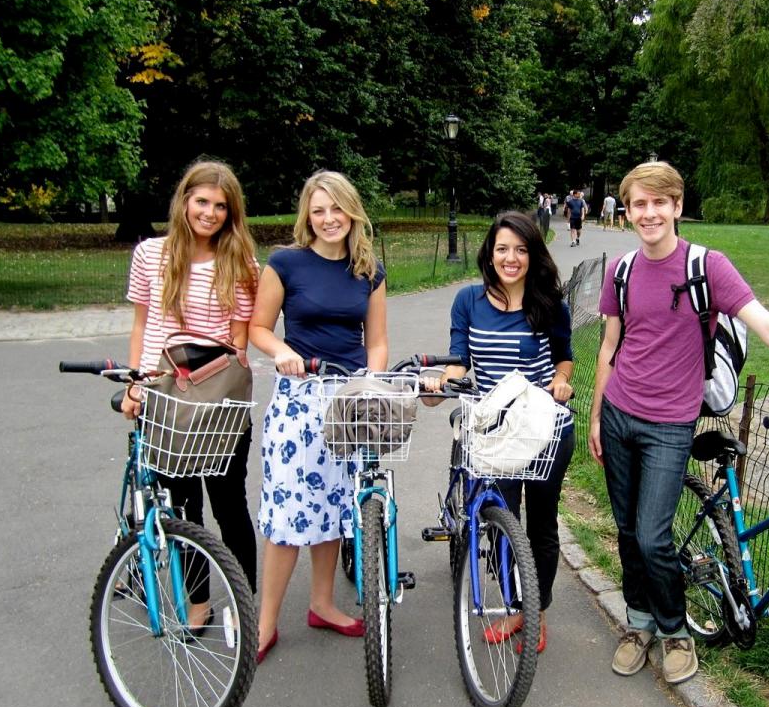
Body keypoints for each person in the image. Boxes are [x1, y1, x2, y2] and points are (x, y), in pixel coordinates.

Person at [589, 161, 769, 685]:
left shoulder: (708, 267)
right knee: (629, 531)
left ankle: (676, 631)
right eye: (639, 204)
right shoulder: (622, 271)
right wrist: (596, 416)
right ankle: (638, 624)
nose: (649, 213)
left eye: (659, 202)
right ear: (627, 211)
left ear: (677, 207)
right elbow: (609, 347)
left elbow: (766, 324)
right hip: (618, 416)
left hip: (670, 425)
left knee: (654, 536)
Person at [249, 170, 389, 664]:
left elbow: (375, 341)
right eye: (319, 210)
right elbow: (258, 328)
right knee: (289, 513)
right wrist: (282, 351)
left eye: (337, 209)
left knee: (335, 505)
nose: (329, 219)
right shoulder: (286, 263)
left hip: (347, 399)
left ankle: (323, 603)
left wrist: (371, 383)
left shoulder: (368, 270)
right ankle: (264, 624)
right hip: (299, 396)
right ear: (307, 216)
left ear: (352, 211)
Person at [423, 211, 575, 653]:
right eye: (503, 249)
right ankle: (513, 605)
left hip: (544, 427)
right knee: (500, 521)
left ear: (533, 255)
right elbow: (458, 361)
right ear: (489, 253)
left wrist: (562, 380)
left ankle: (536, 611)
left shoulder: (550, 304)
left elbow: (564, 358)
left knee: (541, 524)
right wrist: (440, 385)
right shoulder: (468, 301)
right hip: (494, 431)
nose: (511, 258)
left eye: (522, 250)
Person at [123, 159, 260, 628]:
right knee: (183, 509)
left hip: (218, 397)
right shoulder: (151, 255)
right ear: (184, 201)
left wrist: (205, 380)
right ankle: (198, 604)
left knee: (229, 504)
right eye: (202, 201)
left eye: (221, 206)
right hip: (164, 396)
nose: (210, 213)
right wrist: (137, 384)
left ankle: (245, 602)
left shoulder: (239, 261)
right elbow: (144, 325)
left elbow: (238, 339)